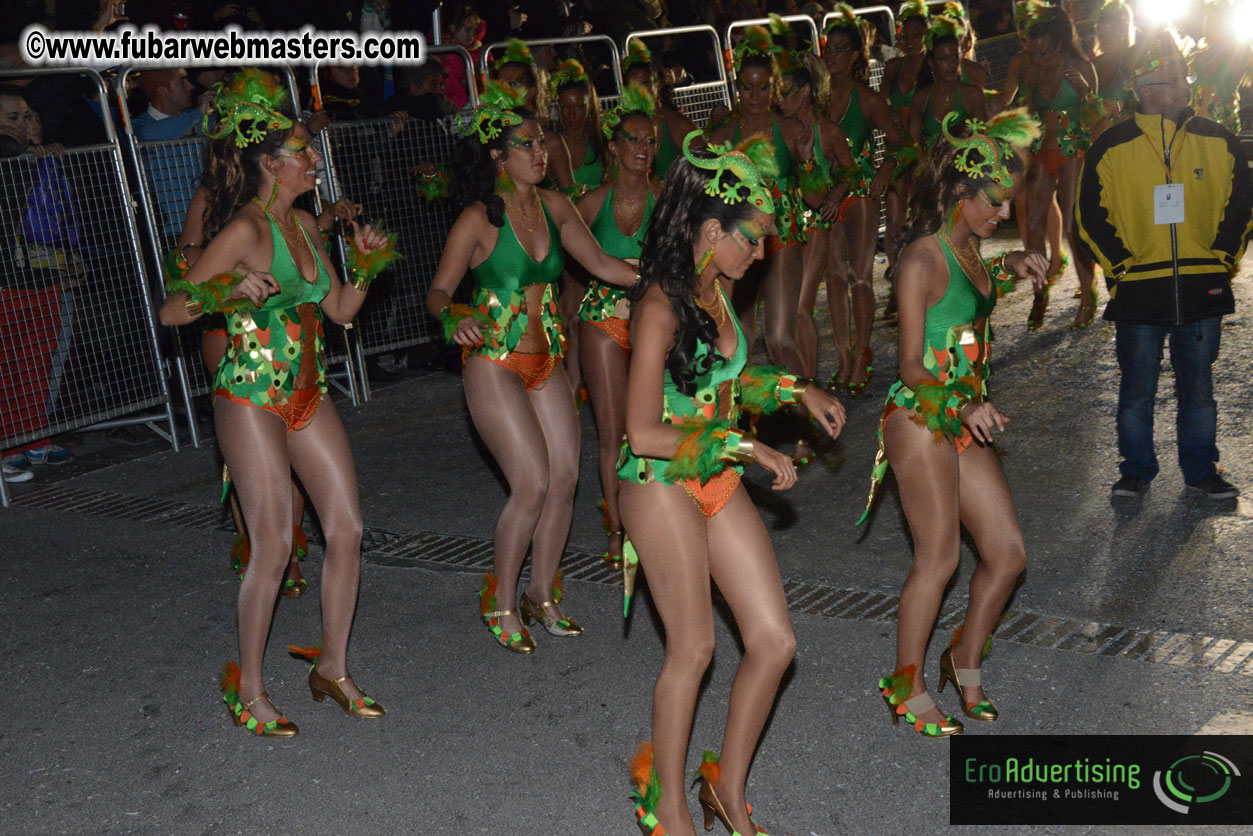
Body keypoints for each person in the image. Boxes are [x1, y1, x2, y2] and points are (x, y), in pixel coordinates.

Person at [621, 132, 845, 836]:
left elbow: (723, 379)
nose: (760, 254)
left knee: (774, 643)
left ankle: (725, 785)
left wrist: (792, 390)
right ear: (712, 230)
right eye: (751, 241)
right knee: (692, 649)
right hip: (658, 480)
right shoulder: (658, 304)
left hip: (711, 475)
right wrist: (743, 442)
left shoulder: (716, 290)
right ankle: (670, 810)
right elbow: (643, 432)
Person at [158, 70, 394, 737]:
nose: (315, 158)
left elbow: (342, 311)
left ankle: (333, 668)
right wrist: (227, 292)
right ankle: (250, 688)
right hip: (250, 397)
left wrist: (368, 267)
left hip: (305, 396)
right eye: (302, 151)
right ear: (270, 164)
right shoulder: (244, 229)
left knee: (345, 530)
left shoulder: (302, 228)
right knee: (271, 545)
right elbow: (172, 308)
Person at [425, 83, 638, 654]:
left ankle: (542, 596)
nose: (540, 153)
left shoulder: (556, 204)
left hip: (545, 360)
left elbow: (598, 263)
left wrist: (663, 280)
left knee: (566, 478)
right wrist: (455, 318)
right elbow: (439, 292)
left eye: (542, 142)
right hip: (493, 362)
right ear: (498, 156)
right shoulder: (477, 219)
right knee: (532, 483)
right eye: (526, 144)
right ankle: (500, 603)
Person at [859, 109, 1048, 737]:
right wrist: (963, 405)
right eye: (993, 204)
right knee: (938, 558)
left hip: (961, 416)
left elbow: (964, 299)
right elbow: (911, 365)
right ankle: (903, 683)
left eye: (1008, 205)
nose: (1002, 214)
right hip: (920, 417)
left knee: (1008, 554)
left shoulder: (968, 247)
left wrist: (1009, 263)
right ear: (959, 194)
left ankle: (963, 654)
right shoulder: (919, 259)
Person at [1076, 33, 1252, 501]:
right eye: (1173, 80)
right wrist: (1122, 269)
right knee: (1137, 391)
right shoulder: (1110, 146)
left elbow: (1243, 205)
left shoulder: (1220, 140)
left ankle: (1201, 471)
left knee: (1200, 390)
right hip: (1139, 287)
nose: (1185, 87)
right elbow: (1089, 216)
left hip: (1203, 285)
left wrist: (1220, 258)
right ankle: (1136, 470)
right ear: (1145, 90)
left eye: (1183, 78)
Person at [705, 25, 825, 465]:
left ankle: (806, 421)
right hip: (734, 243)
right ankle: (735, 430)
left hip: (779, 236)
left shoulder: (791, 129)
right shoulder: (722, 135)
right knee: (737, 340)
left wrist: (809, 157)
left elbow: (813, 195)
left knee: (779, 336)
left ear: (772, 88)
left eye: (762, 87)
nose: (754, 95)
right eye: (747, 87)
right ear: (737, 88)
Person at [577, 84, 661, 571]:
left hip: (654, 323)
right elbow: (564, 269)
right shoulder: (590, 203)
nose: (642, 149)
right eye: (633, 139)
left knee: (650, 428)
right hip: (604, 321)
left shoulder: (666, 198)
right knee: (613, 434)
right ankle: (617, 529)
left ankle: (653, 519)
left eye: (650, 141)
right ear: (612, 147)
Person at [819, 6, 904, 394]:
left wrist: (885, 170)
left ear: (854, 55)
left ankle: (862, 352)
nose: (831, 55)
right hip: (827, 196)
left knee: (858, 276)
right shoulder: (817, 100)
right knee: (834, 278)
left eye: (839, 49)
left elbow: (901, 143)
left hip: (862, 193)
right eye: (828, 48)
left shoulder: (866, 99)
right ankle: (844, 357)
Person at [0, 89, 77, 483]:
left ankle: (33, 436)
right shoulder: (10, 158)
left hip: (42, 275)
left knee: (37, 361)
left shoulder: (41, 159)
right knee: (7, 363)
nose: (25, 123)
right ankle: (7, 445)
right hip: (6, 280)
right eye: (13, 117)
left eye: (27, 115)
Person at [1017, 2, 1103, 329]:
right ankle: (1040, 291)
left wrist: (1083, 91)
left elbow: (1098, 119)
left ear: (1058, 43)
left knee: (1071, 226)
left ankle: (1087, 292)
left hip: (1072, 151)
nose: (1039, 59)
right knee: (1033, 225)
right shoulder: (1032, 69)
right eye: (1034, 54)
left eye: (1045, 53)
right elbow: (1028, 111)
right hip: (1042, 152)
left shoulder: (1080, 66)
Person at [620, 39, 700, 182]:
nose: (638, 91)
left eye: (644, 83)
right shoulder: (620, 124)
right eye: (633, 85)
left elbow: (706, 167)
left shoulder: (678, 124)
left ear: (659, 85)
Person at [132, 69, 215, 141]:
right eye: (182, 83)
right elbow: (146, 137)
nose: (191, 87)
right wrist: (197, 113)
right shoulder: (139, 126)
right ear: (163, 91)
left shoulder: (197, 118)